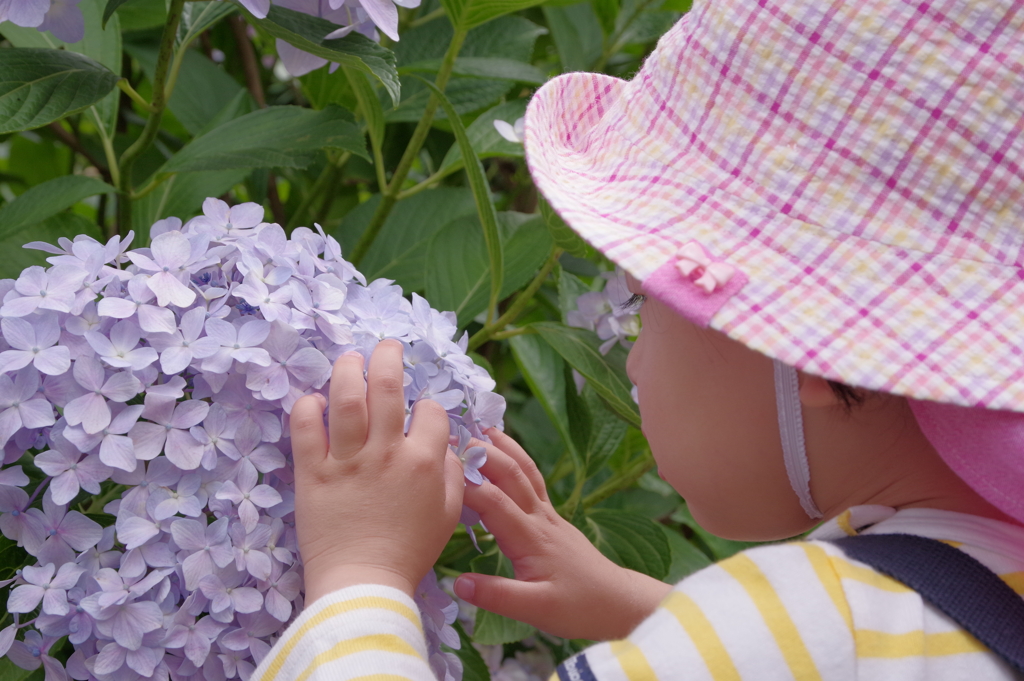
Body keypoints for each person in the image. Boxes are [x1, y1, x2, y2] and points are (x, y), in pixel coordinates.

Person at [252, 0, 1024, 678]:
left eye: (647, 302)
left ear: (815, 346)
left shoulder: (801, 631)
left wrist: (358, 577)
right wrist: (665, 620)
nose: (631, 357)